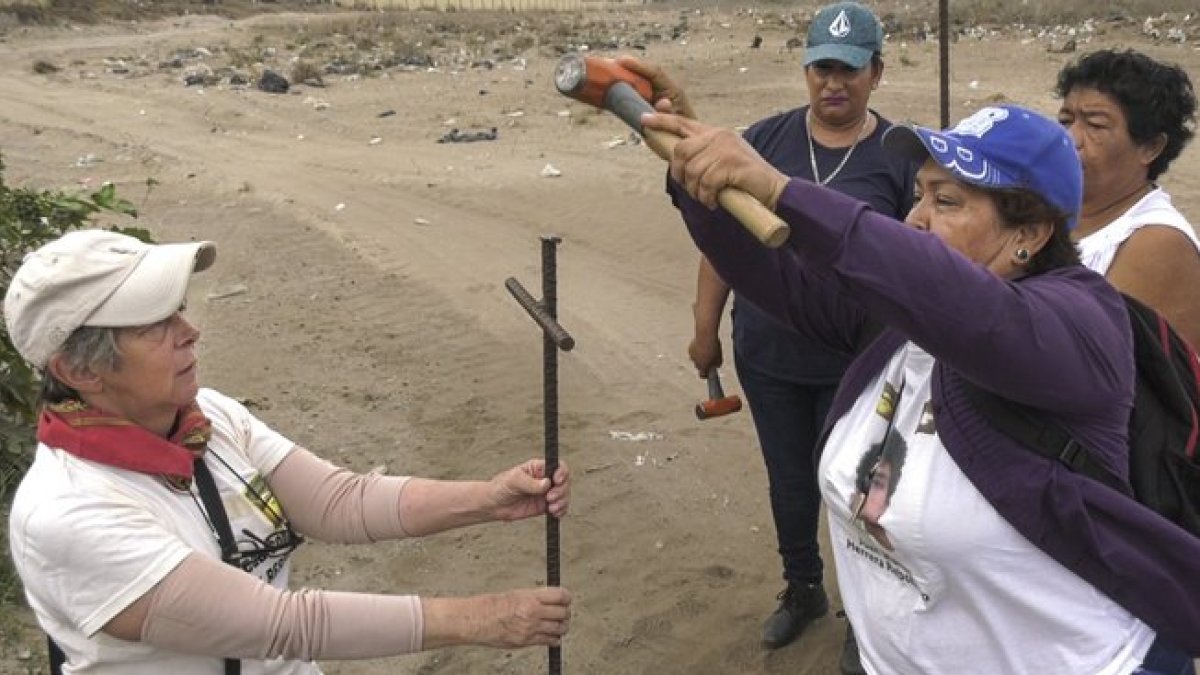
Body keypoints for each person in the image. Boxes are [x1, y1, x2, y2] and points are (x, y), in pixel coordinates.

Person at [636, 76, 1200, 671]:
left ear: (1029, 234)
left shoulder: (1080, 323)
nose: (916, 220)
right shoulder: (895, 319)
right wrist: (699, 178)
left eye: (947, 201)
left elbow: (971, 312)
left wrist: (782, 190)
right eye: (918, 196)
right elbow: (779, 280)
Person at [4, 229, 572, 673]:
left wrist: (490, 499)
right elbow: (282, 625)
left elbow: (339, 501)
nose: (190, 330)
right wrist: (481, 619)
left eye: (178, 308)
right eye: (155, 324)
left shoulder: (208, 417)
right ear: (78, 368)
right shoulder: (67, 515)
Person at [630, 1, 916, 658]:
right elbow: (720, 244)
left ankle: (864, 621)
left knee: (861, 495)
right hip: (770, 354)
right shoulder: (762, 139)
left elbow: (916, 265)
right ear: (806, 70)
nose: (832, 84)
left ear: (877, 71)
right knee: (789, 482)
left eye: (848, 69)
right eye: (820, 68)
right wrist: (706, 329)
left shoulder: (899, 156)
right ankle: (803, 588)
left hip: (862, 364)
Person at [1055, 48, 1200, 346]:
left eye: (1095, 125)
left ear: (1150, 147)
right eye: (1066, 121)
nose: (1071, 140)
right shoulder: (1051, 212)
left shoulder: (1157, 242)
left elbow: (1087, 361)